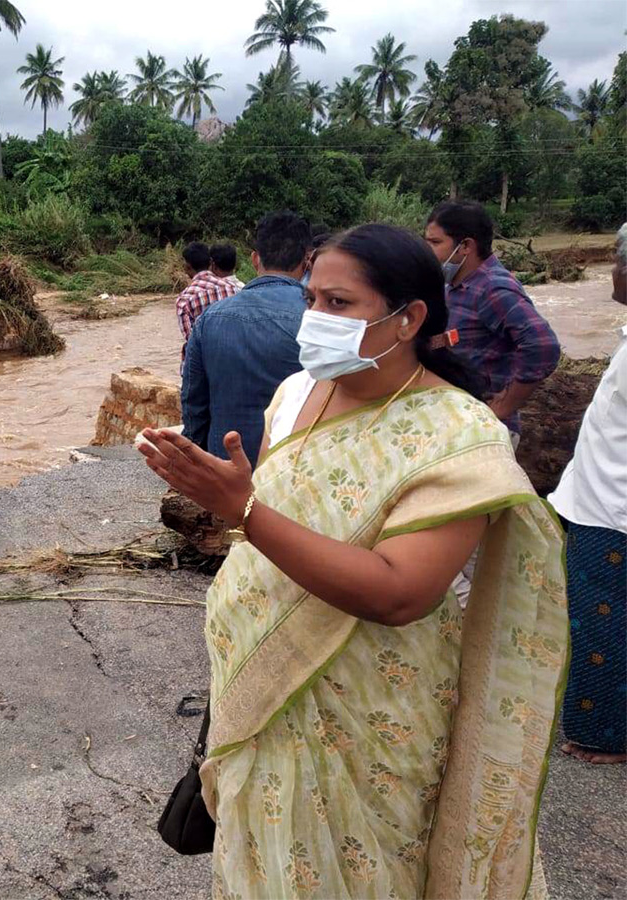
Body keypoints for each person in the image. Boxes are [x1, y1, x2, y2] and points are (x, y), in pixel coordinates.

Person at [140, 223, 565, 900]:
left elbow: (402, 593)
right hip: (261, 684)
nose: (315, 320)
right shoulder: (295, 394)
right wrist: (235, 504)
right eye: (312, 300)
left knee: (366, 870)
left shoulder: (459, 434)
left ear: (409, 320)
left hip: (370, 712)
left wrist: (243, 510)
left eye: (339, 305)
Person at [548, 224, 627, 765]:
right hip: (596, 495)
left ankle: (604, 734)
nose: (614, 272)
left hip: (612, 508)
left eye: (619, 261)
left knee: (603, 620)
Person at [424, 201, 561, 439]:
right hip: (459, 416)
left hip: (486, 429)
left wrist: (504, 406)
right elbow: (458, 336)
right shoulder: (453, 285)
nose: (427, 251)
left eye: (435, 242)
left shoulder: (494, 288)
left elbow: (542, 345)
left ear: (465, 246)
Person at [183, 210, 310, 466]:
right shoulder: (317, 318)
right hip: (294, 473)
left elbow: (193, 404)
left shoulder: (209, 320)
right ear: (307, 261)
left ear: (254, 259)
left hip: (228, 472)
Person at [175, 242, 232, 352]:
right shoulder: (232, 288)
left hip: (205, 361)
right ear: (211, 262)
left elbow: (192, 342)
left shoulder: (184, 300)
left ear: (187, 267)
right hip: (233, 358)